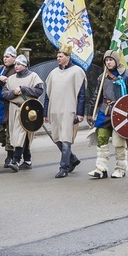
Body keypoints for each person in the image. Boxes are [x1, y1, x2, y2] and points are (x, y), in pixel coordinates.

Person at [86, 50, 128, 179]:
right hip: (105, 111)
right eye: (106, 60)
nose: (108, 62)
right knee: (101, 138)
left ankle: (121, 168)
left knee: (119, 141)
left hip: (121, 113)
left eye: (111, 60)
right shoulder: (102, 76)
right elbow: (96, 95)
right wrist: (90, 112)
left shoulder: (127, 76)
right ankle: (101, 168)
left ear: (116, 60)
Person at [44, 43, 86, 178]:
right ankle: (72, 159)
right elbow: (47, 95)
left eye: (61, 56)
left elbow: (81, 94)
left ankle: (64, 168)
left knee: (66, 139)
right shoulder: (53, 73)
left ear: (68, 57)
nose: (58, 58)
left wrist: (80, 113)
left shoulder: (77, 72)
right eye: (57, 56)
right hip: (55, 110)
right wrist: (45, 112)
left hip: (69, 110)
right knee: (57, 138)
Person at [1, 55, 44, 171]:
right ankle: (27, 159)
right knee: (20, 135)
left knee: (20, 135)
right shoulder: (11, 79)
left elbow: (39, 90)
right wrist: (14, 93)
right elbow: (4, 94)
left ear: (25, 65)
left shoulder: (33, 76)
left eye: (19, 64)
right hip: (14, 109)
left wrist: (24, 89)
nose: (16, 66)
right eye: (15, 64)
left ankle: (15, 161)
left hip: (28, 110)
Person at [0, 46, 18, 167]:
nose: (5, 59)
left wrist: (5, 82)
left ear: (14, 58)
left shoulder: (17, 71)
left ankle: (10, 156)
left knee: (11, 130)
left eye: (8, 57)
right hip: (0, 104)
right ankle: (6, 143)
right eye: (4, 56)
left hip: (11, 104)